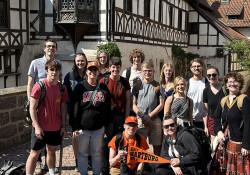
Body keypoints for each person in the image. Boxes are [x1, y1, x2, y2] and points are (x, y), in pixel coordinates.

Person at [25, 60, 68, 175]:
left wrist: (63, 125)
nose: (54, 72)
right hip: (41, 127)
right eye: (52, 70)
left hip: (55, 127)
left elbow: (63, 108)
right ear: (46, 71)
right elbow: (32, 108)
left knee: (51, 151)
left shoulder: (62, 88)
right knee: (35, 153)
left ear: (59, 72)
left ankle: (52, 172)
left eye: (57, 70)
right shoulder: (39, 86)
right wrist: (37, 126)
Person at [70, 62, 111, 175]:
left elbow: (107, 108)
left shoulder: (103, 88)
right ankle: (83, 173)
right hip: (82, 128)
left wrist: (105, 126)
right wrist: (74, 127)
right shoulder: (80, 87)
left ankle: (96, 173)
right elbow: (74, 108)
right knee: (82, 153)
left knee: (97, 153)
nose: (92, 72)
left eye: (95, 70)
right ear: (86, 72)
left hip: (98, 128)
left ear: (98, 72)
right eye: (90, 70)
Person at [213, 71, 250, 174]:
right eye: (230, 82)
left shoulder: (244, 100)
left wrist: (246, 145)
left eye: (235, 82)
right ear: (226, 84)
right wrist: (219, 132)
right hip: (225, 143)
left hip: (239, 143)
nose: (232, 84)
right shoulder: (223, 100)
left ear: (240, 84)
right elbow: (216, 118)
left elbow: (248, 123)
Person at [99, 57, 131, 175]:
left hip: (120, 117)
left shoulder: (124, 82)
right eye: (113, 67)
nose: (115, 70)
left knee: (118, 143)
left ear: (120, 68)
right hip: (106, 118)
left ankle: (117, 169)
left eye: (117, 67)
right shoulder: (103, 81)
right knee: (105, 144)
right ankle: (104, 169)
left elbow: (128, 101)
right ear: (110, 68)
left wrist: (127, 119)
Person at [132, 62, 164, 156]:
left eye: (150, 71)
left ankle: (157, 165)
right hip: (141, 120)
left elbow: (161, 104)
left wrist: (149, 116)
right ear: (142, 72)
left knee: (157, 144)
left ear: (153, 71)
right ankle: (142, 166)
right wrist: (143, 116)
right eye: (145, 71)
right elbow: (133, 105)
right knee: (140, 145)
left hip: (155, 119)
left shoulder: (158, 86)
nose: (147, 73)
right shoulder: (137, 86)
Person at [63, 53, 87, 172]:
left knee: (87, 136)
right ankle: (77, 161)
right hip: (74, 112)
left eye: (82, 61)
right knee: (75, 137)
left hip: (87, 112)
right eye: (78, 61)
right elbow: (65, 94)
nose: (80, 63)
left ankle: (87, 160)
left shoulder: (90, 74)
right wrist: (69, 109)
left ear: (86, 62)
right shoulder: (70, 76)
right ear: (75, 62)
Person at [203, 66, 227, 148]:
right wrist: (205, 126)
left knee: (225, 145)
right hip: (212, 122)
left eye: (214, 75)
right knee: (214, 146)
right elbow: (205, 110)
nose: (211, 77)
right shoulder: (206, 90)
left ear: (218, 75)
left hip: (225, 122)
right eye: (209, 75)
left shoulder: (226, 88)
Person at [187, 58, 207, 129]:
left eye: (198, 66)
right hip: (191, 119)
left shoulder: (207, 83)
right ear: (191, 68)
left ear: (202, 67)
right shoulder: (187, 83)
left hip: (205, 120)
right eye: (194, 66)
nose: (196, 68)